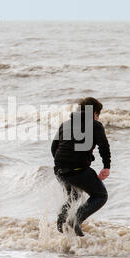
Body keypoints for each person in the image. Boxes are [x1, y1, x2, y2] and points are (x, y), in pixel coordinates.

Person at [51, 97, 111, 236]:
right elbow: (104, 147)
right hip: (77, 170)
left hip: (59, 170)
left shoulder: (65, 124)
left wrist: (63, 163)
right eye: (98, 114)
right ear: (95, 113)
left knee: (75, 195)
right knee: (100, 195)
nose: (98, 118)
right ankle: (75, 220)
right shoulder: (95, 125)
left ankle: (61, 222)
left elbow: (54, 148)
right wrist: (106, 166)